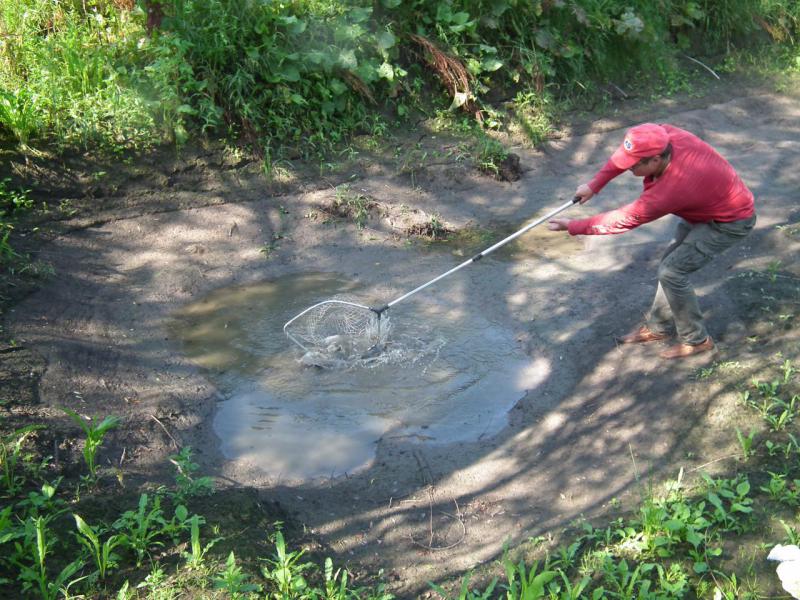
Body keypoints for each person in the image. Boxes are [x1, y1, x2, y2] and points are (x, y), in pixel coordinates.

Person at [548, 123, 756, 359]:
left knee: (672, 272)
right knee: (669, 267)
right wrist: (594, 185)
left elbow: (624, 219)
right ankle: (658, 329)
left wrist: (574, 226)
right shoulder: (663, 134)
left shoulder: (672, 188)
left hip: (728, 221)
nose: (627, 167)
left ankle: (697, 340)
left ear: (655, 160)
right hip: (705, 207)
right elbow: (621, 156)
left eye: (633, 164)